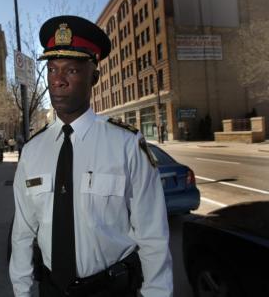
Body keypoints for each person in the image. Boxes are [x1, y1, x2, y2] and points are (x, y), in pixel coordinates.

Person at [9, 15, 172, 297]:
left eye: (71, 70)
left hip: (110, 290)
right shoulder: (33, 151)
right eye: (52, 69)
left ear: (93, 77)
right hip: (51, 289)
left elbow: (152, 234)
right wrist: (22, 292)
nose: (57, 81)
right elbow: (23, 232)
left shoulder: (126, 144)